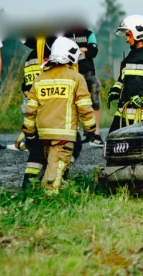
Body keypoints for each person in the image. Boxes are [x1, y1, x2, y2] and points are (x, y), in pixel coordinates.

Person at [21, 38, 95, 192]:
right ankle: (49, 202)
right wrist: (90, 129)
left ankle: (34, 192)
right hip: (64, 137)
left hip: (43, 135)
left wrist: (29, 132)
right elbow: (85, 107)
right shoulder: (76, 78)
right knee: (54, 175)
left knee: (52, 166)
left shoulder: (40, 79)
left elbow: (30, 109)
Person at [65, 26, 103, 146]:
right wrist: (82, 49)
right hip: (71, 73)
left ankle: (95, 134)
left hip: (88, 73)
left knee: (95, 102)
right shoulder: (65, 34)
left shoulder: (89, 34)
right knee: (71, 103)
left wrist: (81, 50)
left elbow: (93, 52)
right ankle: (74, 133)